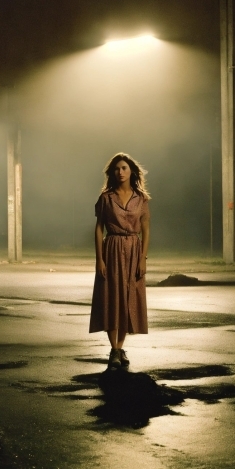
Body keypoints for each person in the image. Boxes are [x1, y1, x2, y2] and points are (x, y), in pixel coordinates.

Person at [89, 152, 150, 370]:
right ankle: (113, 349)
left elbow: (146, 230)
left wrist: (143, 259)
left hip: (133, 249)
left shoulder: (141, 199)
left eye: (124, 168)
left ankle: (120, 347)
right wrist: (100, 259)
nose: (120, 172)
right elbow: (98, 229)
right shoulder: (106, 198)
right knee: (111, 298)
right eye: (117, 169)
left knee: (128, 299)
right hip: (112, 248)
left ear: (131, 170)